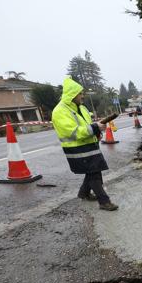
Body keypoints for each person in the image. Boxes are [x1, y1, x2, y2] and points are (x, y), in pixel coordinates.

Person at [52, 77, 118, 211]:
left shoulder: (81, 108)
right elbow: (73, 132)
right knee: (94, 173)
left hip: (89, 146)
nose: (82, 96)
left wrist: (97, 131)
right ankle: (104, 201)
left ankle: (84, 193)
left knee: (92, 171)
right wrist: (95, 128)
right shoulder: (60, 111)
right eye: (80, 93)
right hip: (77, 149)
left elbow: (87, 126)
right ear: (72, 94)